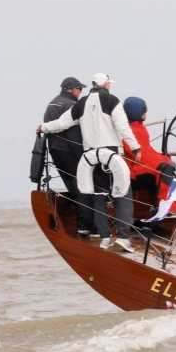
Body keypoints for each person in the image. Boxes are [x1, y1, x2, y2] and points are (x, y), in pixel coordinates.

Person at [38, 73, 138, 252]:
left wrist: (43, 127)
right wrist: (135, 147)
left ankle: (104, 237)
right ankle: (123, 237)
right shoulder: (112, 100)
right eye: (109, 83)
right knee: (123, 194)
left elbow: (62, 123)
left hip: (91, 157)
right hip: (110, 153)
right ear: (105, 85)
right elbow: (123, 127)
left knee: (99, 195)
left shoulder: (81, 104)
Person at [41, 76, 92, 234]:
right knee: (82, 187)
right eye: (79, 89)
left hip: (56, 152)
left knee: (72, 186)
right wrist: (83, 158)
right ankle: (86, 226)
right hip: (70, 151)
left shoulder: (52, 103)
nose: (81, 91)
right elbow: (74, 134)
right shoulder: (72, 105)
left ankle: (78, 224)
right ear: (71, 89)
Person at [122, 97, 176, 205]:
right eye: (144, 110)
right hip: (136, 170)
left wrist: (165, 158)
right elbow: (140, 156)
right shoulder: (128, 131)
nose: (146, 113)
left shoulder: (140, 128)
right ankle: (163, 204)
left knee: (166, 166)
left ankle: (161, 204)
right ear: (138, 112)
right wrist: (164, 161)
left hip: (143, 167)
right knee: (165, 168)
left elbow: (148, 150)